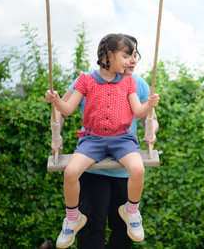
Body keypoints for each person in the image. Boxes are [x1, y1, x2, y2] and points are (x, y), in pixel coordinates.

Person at [46, 33, 159, 248]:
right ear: (110, 55)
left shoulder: (134, 83)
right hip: (93, 157)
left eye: (135, 55)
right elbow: (65, 110)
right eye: (127, 55)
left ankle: (132, 212)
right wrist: (56, 107)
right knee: (91, 229)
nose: (132, 60)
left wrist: (151, 122)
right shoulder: (86, 79)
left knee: (122, 234)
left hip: (123, 155)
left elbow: (145, 116)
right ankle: (72, 218)